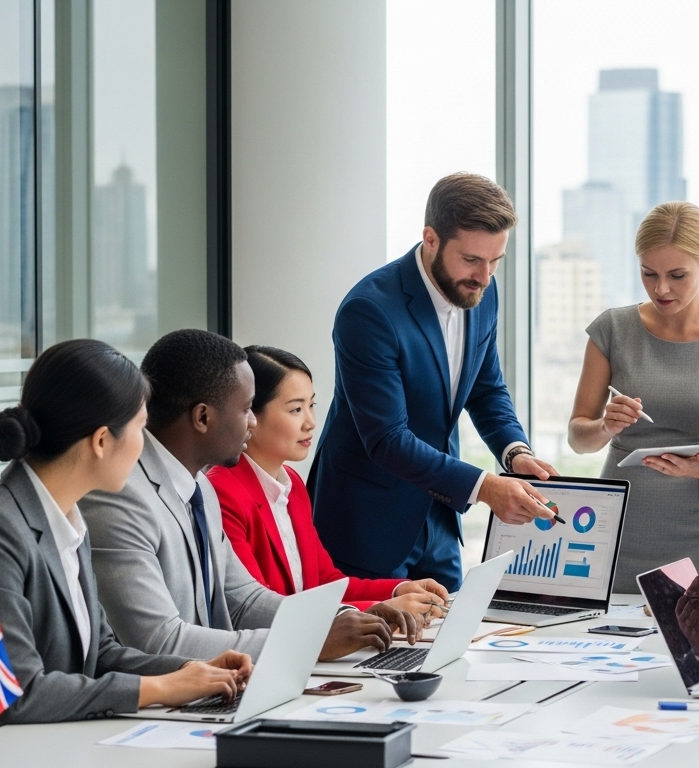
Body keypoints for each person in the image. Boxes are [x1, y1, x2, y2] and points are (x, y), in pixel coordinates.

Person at [0, 340, 252, 757]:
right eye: (139, 429)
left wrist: (190, 671)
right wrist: (157, 688)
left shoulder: (67, 520)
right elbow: (15, 692)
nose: (144, 445)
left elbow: (102, 653)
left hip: (36, 745)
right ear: (100, 441)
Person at [80, 330, 420, 663]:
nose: (252, 423)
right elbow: (159, 640)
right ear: (202, 417)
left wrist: (345, 617)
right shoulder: (120, 498)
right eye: (246, 409)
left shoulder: (199, 488)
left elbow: (244, 600)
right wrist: (307, 640)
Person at [308, 173, 558, 590]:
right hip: (368, 521)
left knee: (446, 643)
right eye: (472, 259)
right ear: (431, 238)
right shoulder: (368, 311)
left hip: (440, 517)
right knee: (369, 651)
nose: (484, 275)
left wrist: (515, 453)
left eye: (496, 261)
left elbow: (486, 387)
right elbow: (387, 439)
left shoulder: (483, 294)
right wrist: (484, 487)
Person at [568, 201, 699, 597]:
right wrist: (606, 426)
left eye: (677, 275)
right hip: (617, 532)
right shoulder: (612, 329)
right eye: (649, 273)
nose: (661, 288)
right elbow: (578, 437)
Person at [208, 345, 451, 617]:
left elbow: (325, 583)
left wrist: (400, 590)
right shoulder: (222, 492)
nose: (311, 422)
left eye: (311, 405)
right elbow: (256, 610)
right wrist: (380, 610)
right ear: (250, 414)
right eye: (296, 409)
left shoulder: (293, 484)